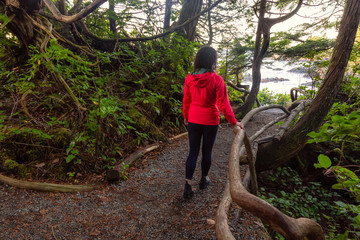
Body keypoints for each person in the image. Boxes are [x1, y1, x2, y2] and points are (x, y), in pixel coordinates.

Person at [182, 46, 244, 199]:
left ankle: (187, 185)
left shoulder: (190, 78)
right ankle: (204, 180)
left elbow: (186, 101)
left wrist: (186, 117)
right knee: (207, 152)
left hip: (193, 119)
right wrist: (234, 122)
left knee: (193, 152)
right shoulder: (217, 79)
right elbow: (224, 104)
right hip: (210, 120)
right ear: (212, 61)